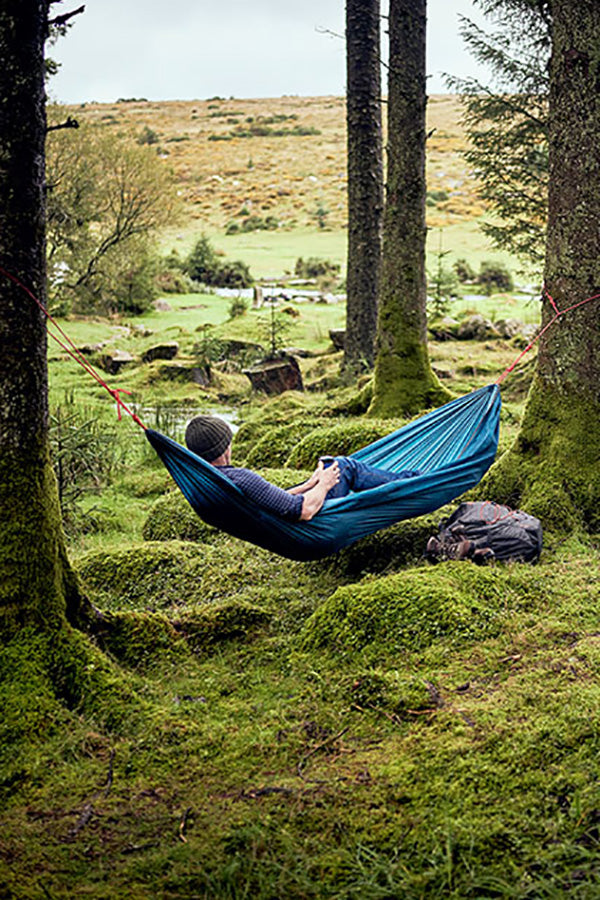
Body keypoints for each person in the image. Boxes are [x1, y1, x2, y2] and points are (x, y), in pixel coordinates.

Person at [185, 415, 422, 523]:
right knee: (342, 466)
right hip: (312, 524)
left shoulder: (207, 482)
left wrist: (311, 484)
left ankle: (406, 482)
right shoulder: (240, 478)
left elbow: (273, 501)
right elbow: (305, 510)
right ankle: (416, 481)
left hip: (279, 526)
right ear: (226, 447)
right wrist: (326, 484)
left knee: (332, 468)